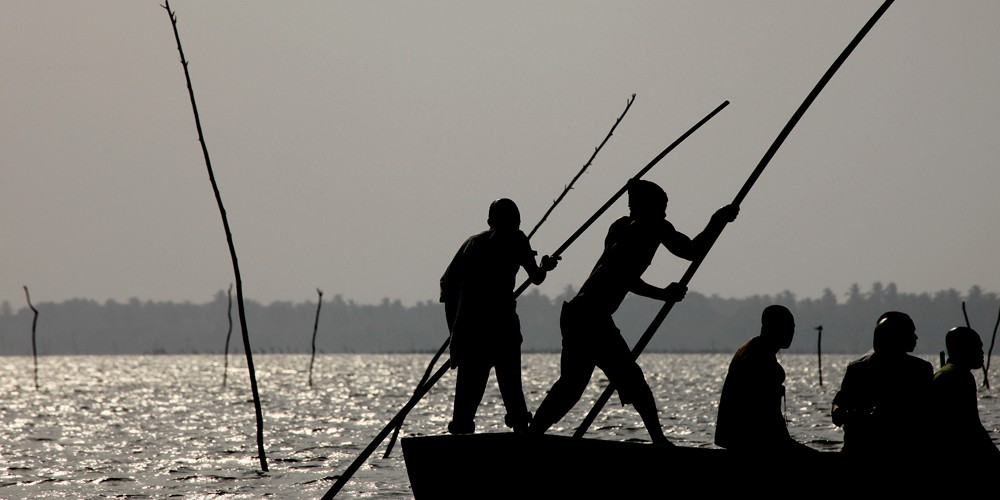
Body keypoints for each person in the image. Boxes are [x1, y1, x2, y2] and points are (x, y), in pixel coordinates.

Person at [528, 179, 738, 444]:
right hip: (591, 317)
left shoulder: (619, 227)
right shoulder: (652, 226)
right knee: (629, 381)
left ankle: (532, 434)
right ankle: (659, 441)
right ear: (649, 206)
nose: (664, 214)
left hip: (578, 314)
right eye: (661, 207)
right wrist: (717, 221)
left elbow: (621, 275)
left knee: (572, 387)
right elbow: (689, 253)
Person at [440, 198, 559, 435]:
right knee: (512, 388)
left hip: (470, 331)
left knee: (467, 394)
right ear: (515, 221)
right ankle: (521, 436)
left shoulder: (471, 244)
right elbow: (536, 277)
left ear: (489, 220)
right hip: (502, 328)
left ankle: (459, 439)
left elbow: (446, 284)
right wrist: (546, 266)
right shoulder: (516, 238)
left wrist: (455, 331)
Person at [714, 304, 817, 455]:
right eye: (787, 327)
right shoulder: (758, 357)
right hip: (753, 442)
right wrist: (785, 443)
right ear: (771, 327)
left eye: (792, 327)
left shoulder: (753, 349)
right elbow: (765, 413)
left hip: (745, 440)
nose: (791, 332)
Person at [831, 311, 933, 462]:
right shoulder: (858, 369)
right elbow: (839, 404)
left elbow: (928, 413)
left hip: (905, 449)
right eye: (910, 332)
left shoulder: (920, 369)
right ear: (894, 337)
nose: (915, 337)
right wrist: (842, 412)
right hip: (862, 450)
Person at [930, 326, 1000, 464]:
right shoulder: (959, 376)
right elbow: (972, 425)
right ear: (963, 349)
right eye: (977, 348)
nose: (982, 353)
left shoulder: (949, 373)